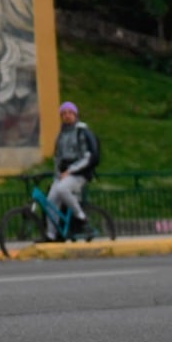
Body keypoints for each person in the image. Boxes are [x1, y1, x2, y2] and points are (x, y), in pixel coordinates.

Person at [46, 101, 99, 239]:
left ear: (75, 114)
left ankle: (81, 217)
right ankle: (51, 235)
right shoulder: (61, 135)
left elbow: (87, 157)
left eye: (70, 113)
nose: (67, 116)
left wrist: (71, 170)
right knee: (50, 201)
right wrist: (57, 174)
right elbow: (57, 157)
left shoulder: (81, 132)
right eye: (63, 113)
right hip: (62, 174)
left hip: (79, 173)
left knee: (63, 189)